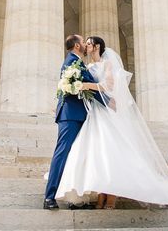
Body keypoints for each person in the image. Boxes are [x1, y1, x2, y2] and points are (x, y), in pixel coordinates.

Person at [55, 36, 168, 209]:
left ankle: (110, 199)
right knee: (98, 153)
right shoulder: (86, 67)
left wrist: (85, 85)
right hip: (93, 113)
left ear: (97, 46)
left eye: (89, 43)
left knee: (111, 151)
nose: (86, 45)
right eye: (84, 42)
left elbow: (109, 85)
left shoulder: (107, 64)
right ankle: (101, 195)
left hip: (105, 113)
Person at [43, 34, 104, 210]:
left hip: (81, 115)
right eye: (83, 42)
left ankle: (76, 199)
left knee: (77, 156)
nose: (86, 44)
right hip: (70, 115)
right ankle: (49, 197)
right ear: (77, 45)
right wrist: (108, 102)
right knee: (62, 154)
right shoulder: (71, 62)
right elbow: (83, 85)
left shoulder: (77, 62)